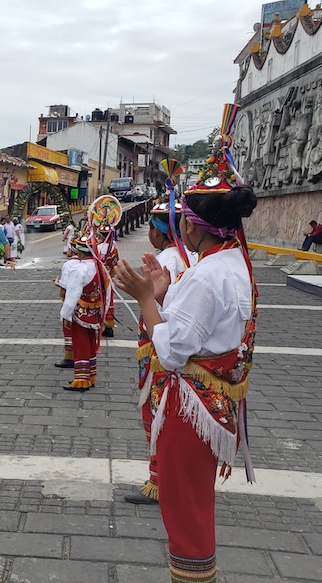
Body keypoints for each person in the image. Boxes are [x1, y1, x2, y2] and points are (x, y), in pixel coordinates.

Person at [114, 179, 259, 583]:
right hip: (211, 403)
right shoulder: (234, 261)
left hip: (190, 407)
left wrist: (145, 298)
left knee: (185, 514)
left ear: (192, 226)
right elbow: (202, 328)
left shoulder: (206, 275)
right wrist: (163, 297)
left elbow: (173, 351)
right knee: (192, 505)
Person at [121, 198, 198, 506]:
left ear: (158, 230)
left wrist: (143, 297)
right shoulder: (189, 257)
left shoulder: (167, 259)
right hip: (171, 346)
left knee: (157, 410)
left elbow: (162, 310)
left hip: (162, 348)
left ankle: (159, 480)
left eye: (152, 228)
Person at [54, 232, 108, 391]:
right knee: (90, 343)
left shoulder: (80, 269)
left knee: (81, 344)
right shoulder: (98, 267)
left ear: (79, 251)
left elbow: (73, 292)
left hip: (80, 314)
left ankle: (81, 379)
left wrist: (65, 314)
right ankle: (90, 375)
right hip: (94, 313)